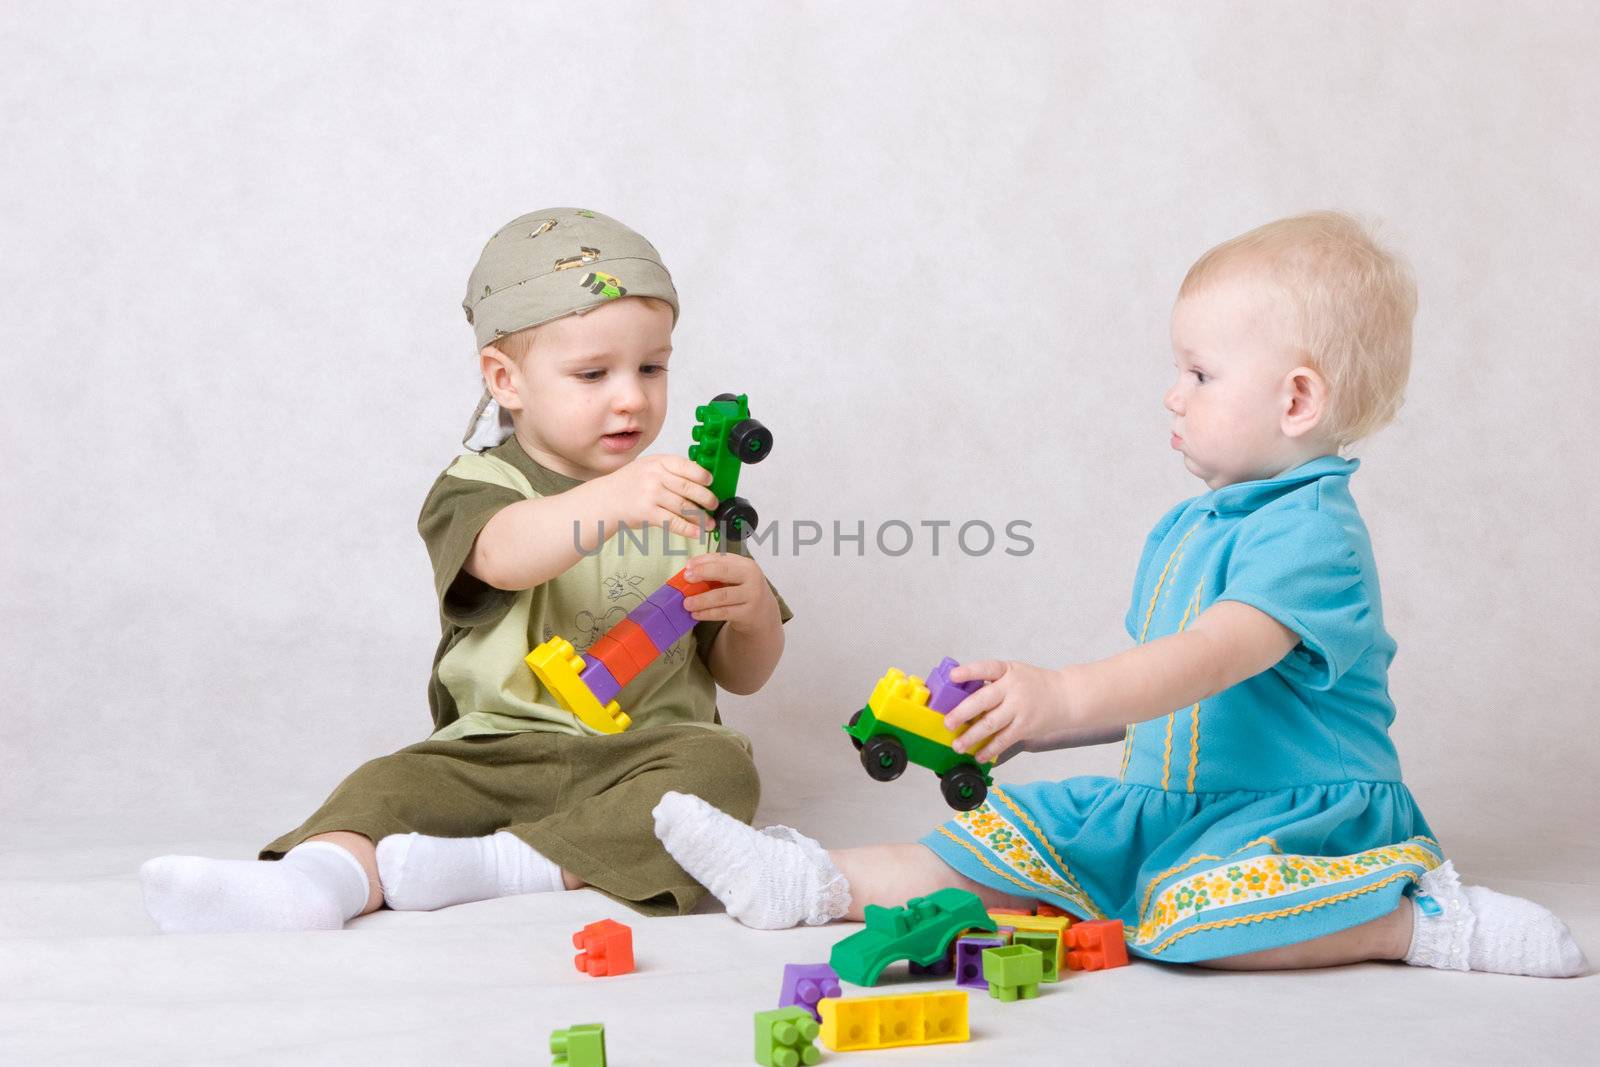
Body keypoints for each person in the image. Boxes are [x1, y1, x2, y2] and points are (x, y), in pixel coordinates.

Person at [652, 211, 1587, 978]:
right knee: (1006, 842)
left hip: (1287, 814)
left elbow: (1210, 656)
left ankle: (1412, 920)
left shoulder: (1314, 536)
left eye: (1201, 373)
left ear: (1297, 401)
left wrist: (1064, 690)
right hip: (1171, 801)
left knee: (1187, 924)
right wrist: (1035, 718)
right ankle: (806, 879)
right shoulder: (1194, 527)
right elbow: (1164, 704)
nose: (1173, 396)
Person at [140, 208, 791, 932]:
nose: (631, 396)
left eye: (652, 367)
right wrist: (613, 499)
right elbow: (503, 556)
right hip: (491, 749)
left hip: (643, 755)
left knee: (719, 777)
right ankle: (317, 880)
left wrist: (753, 611)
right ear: (505, 379)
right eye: (591, 373)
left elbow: (742, 673)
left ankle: (511, 864)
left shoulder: (685, 502)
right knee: (387, 783)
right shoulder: (480, 484)